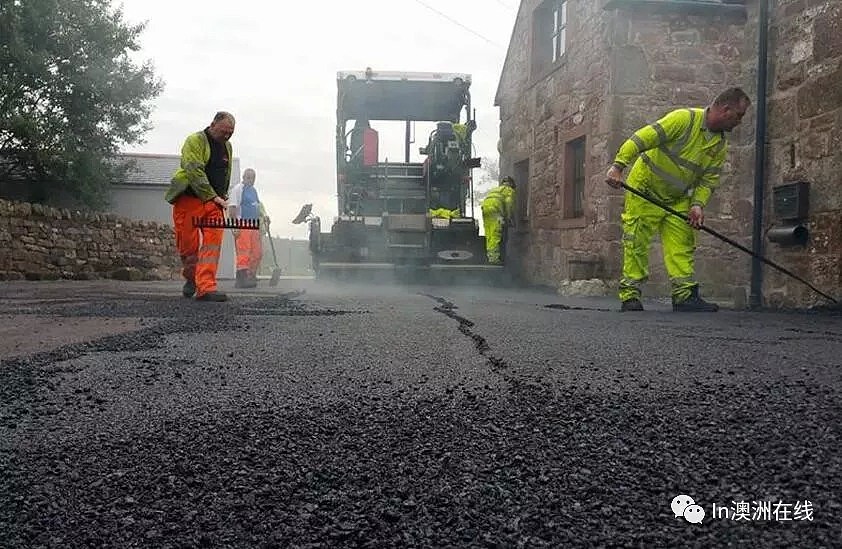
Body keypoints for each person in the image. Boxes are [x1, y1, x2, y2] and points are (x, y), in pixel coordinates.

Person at [605, 87, 751, 312]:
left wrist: (697, 205)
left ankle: (684, 297)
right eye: (739, 115)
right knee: (636, 241)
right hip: (645, 188)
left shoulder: (719, 145)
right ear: (725, 109)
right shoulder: (683, 120)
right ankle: (630, 296)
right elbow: (642, 138)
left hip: (678, 197)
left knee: (682, 244)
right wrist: (618, 166)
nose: (739, 121)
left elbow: (708, 180)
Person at [164, 111, 236, 302]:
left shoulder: (227, 146)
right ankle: (191, 278)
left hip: (213, 204)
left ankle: (206, 287)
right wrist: (212, 195)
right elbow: (194, 170)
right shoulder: (194, 140)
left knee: (212, 245)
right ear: (213, 125)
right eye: (224, 131)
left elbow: (224, 172)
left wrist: (221, 195)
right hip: (189, 201)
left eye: (231, 132)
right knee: (189, 250)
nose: (227, 136)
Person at [228, 168, 270, 288]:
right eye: (249, 177)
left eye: (253, 178)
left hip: (254, 225)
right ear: (244, 177)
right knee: (244, 252)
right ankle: (241, 279)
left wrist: (264, 216)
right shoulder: (238, 189)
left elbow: (257, 205)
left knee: (257, 252)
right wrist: (234, 226)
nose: (251, 180)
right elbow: (232, 209)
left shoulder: (253, 191)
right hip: (243, 225)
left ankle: (251, 275)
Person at [481, 176, 516, 264]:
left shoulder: (496, 189)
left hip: (485, 209)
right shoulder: (509, 190)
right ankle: (494, 259)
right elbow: (509, 203)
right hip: (496, 211)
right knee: (496, 233)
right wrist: (509, 217)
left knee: (489, 233)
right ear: (511, 184)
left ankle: (490, 256)